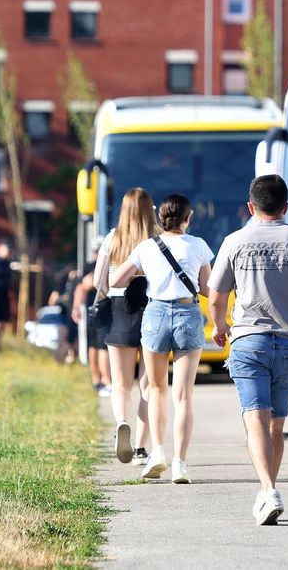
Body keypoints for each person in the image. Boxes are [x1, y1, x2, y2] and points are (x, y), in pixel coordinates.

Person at [208, 175, 288, 525]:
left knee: (255, 421)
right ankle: (268, 489)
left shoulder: (234, 241)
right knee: (275, 425)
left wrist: (219, 327)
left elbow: (216, 296)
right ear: (286, 207)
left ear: (251, 207)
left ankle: (267, 490)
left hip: (249, 342)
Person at [111, 193, 214, 484]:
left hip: (155, 315)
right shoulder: (199, 245)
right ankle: (180, 463)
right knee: (183, 395)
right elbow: (206, 289)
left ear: (161, 218)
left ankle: (157, 452)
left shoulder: (146, 247)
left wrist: (144, 272)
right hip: (187, 315)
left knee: (156, 390)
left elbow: (115, 280)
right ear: (188, 218)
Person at [95, 189, 158, 466]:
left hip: (120, 310)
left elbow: (100, 281)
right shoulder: (159, 239)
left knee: (120, 384)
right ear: (150, 209)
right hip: (153, 309)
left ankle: (122, 422)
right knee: (148, 385)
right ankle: (142, 449)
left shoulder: (113, 237)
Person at [74, 244, 113, 395]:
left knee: (94, 346)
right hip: (102, 309)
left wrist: (76, 307)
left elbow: (80, 288)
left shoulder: (88, 266)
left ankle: (97, 380)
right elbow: (85, 284)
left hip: (92, 311)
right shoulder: (98, 267)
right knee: (102, 347)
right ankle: (105, 380)